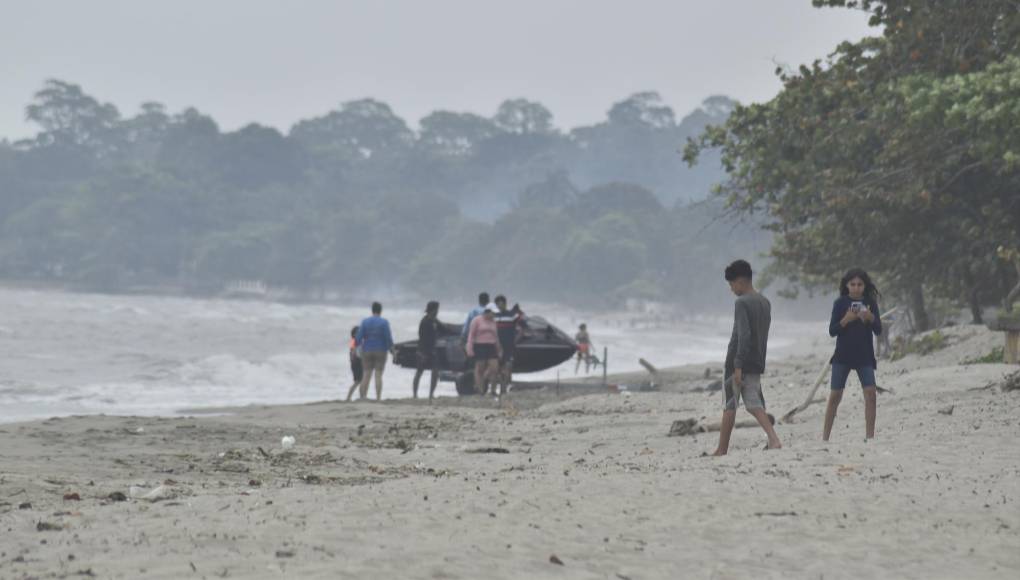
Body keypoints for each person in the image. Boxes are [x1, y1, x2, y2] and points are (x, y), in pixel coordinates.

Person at [711, 259, 781, 456]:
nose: (731, 289)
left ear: (740, 281)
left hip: (737, 361)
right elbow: (761, 335)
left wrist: (737, 365)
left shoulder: (741, 302)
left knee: (729, 404)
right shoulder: (765, 302)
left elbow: (744, 335)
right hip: (756, 360)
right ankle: (773, 439)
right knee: (754, 403)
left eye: (732, 284)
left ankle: (722, 449)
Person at [824, 268, 883, 441]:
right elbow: (832, 331)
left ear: (865, 286)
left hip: (865, 356)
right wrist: (846, 319)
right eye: (853, 284)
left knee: (871, 394)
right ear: (847, 285)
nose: (856, 288)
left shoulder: (870, 303)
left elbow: (878, 330)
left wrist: (870, 317)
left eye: (860, 284)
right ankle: (825, 438)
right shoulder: (840, 303)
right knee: (835, 396)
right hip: (842, 356)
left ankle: (870, 437)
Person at [354, 302, 394, 401]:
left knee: (366, 374)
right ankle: (378, 398)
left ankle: (363, 397)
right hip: (381, 350)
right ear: (381, 310)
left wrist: (356, 348)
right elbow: (388, 338)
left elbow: (358, 338)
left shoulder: (365, 322)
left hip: (367, 350)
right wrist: (392, 350)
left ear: (372, 310)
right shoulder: (384, 322)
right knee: (378, 374)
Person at [466, 303, 502, 396]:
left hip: (491, 345)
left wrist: (498, 349)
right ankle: (480, 390)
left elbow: (496, 336)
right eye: (493, 313)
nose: (494, 315)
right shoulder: (477, 320)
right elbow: (471, 335)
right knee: (480, 368)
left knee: (494, 368)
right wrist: (469, 348)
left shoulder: (493, 322)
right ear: (487, 312)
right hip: (479, 345)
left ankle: (493, 390)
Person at [493, 296, 524, 396]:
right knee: (498, 369)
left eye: (501, 304)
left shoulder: (512, 315)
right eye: (498, 304)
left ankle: (505, 388)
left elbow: (522, 326)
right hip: (497, 346)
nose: (500, 306)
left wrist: (516, 339)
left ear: (505, 304)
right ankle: (500, 389)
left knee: (508, 367)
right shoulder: (495, 316)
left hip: (509, 346)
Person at [413, 300, 442, 402]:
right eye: (436, 309)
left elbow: (443, 328)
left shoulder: (434, 320)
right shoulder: (425, 322)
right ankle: (415, 395)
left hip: (432, 350)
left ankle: (431, 394)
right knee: (419, 372)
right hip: (423, 351)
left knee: (435, 372)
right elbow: (423, 338)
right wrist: (423, 353)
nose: (437, 311)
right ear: (432, 310)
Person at [344, 326, 363, 402]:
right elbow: (353, 352)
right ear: (354, 334)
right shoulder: (354, 341)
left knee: (360, 381)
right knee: (358, 381)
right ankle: (349, 397)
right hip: (356, 363)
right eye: (358, 332)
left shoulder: (357, 341)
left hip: (357, 362)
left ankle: (361, 396)